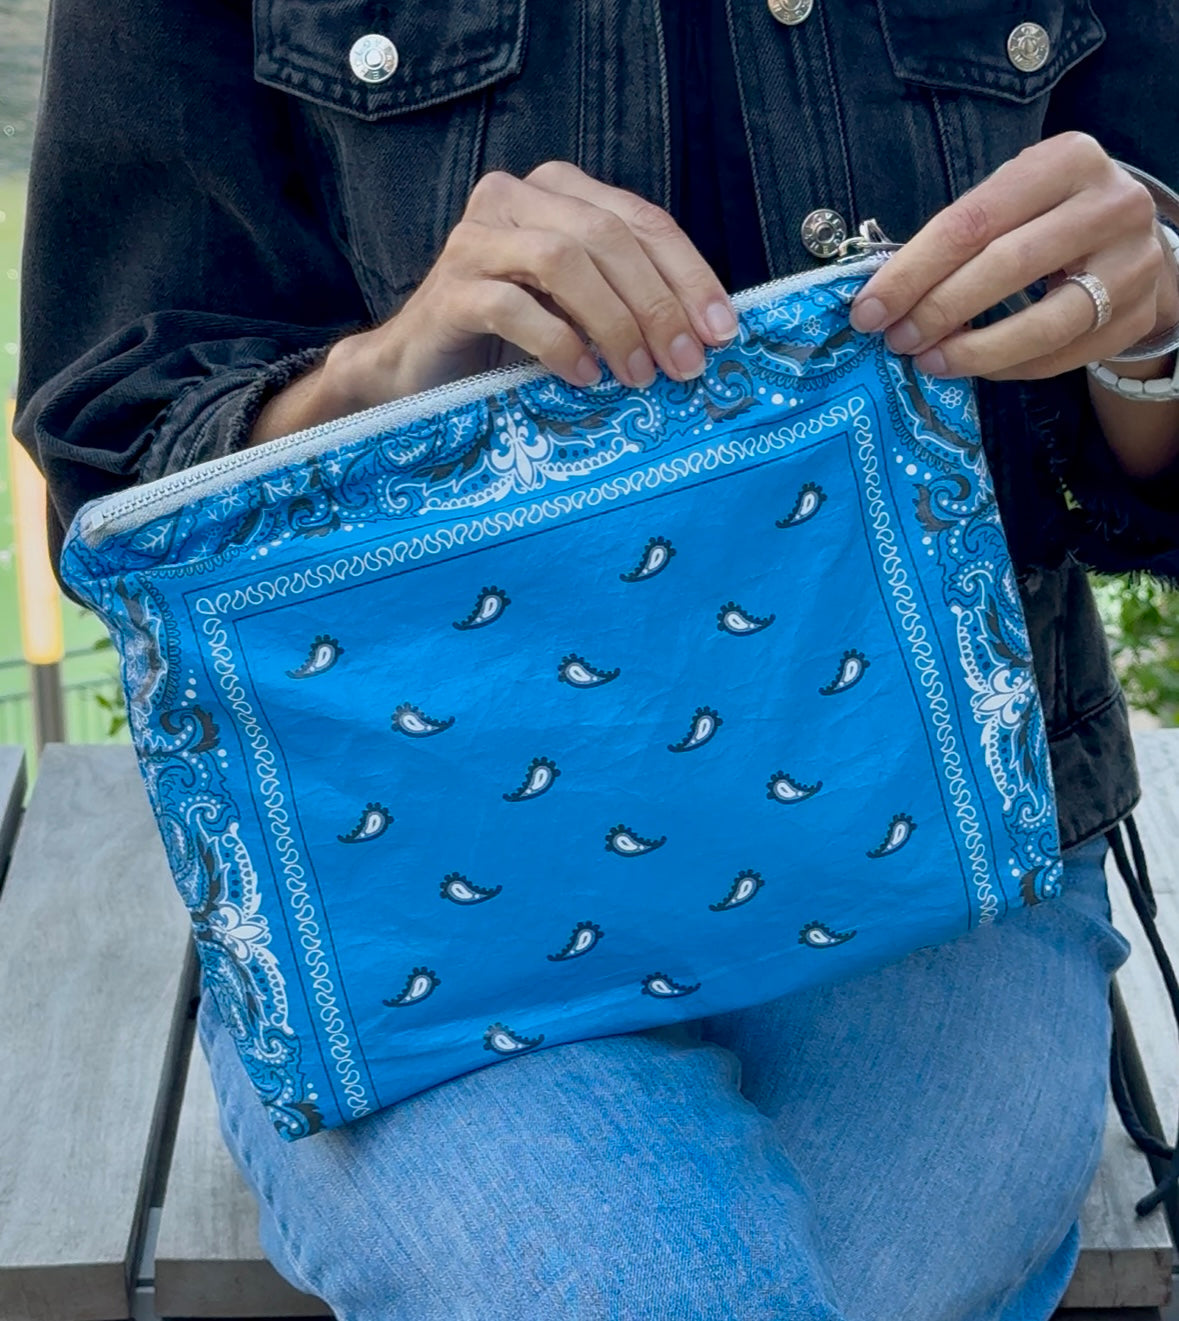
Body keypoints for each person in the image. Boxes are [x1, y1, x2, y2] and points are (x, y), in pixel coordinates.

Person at [14, 1, 1179, 1316]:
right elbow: (114, 440)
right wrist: (377, 384)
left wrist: (1155, 327)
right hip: (409, 882)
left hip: (946, 841)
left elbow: (1143, 461)